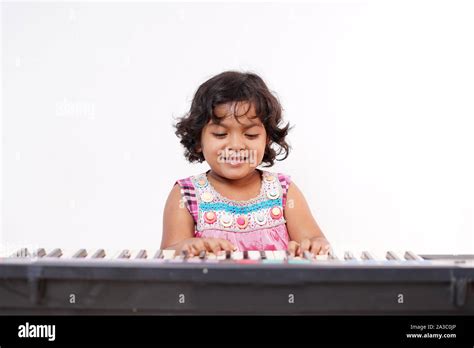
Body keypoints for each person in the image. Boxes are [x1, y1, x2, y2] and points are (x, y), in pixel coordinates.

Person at [161, 71, 330, 257]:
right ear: (199, 140)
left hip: (276, 286)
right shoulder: (186, 194)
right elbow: (169, 253)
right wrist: (190, 247)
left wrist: (315, 246)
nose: (236, 146)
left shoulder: (283, 191)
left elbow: (315, 240)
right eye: (220, 134)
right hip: (209, 286)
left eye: (250, 135)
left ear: (266, 140)